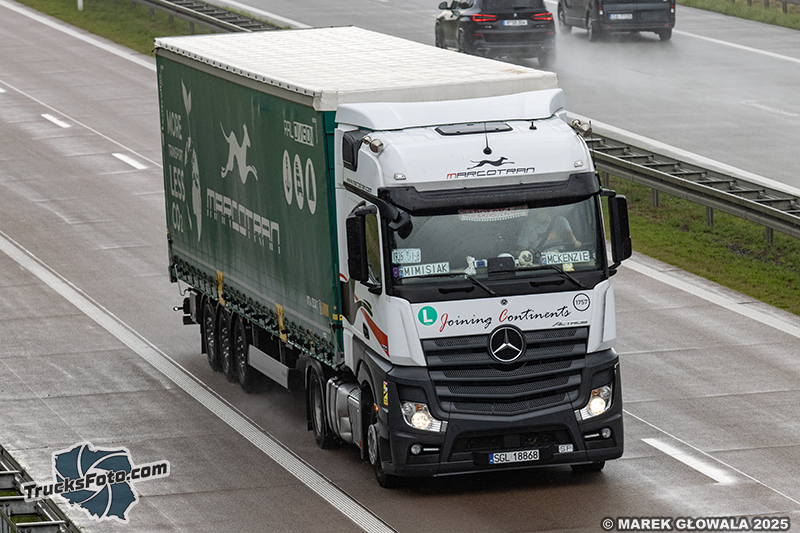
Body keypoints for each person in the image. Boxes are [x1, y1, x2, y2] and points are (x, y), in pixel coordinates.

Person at [516, 208, 581, 264]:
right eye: (535, 214)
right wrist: (528, 252)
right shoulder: (528, 226)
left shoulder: (560, 221)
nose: (538, 216)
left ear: (547, 210)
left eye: (540, 212)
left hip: (561, 259)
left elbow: (571, 239)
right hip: (539, 261)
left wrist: (573, 240)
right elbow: (522, 249)